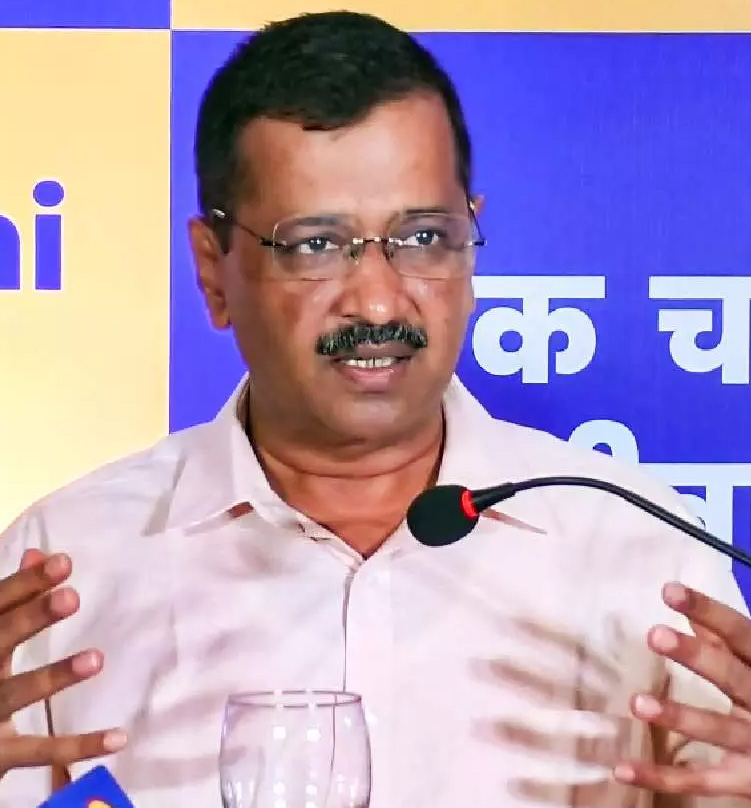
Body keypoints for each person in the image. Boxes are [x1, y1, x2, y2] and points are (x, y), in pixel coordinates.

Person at [1, 10, 751, 807]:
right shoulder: (66, 566)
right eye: (315, 244)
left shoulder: (639, 551)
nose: (377, 301)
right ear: (213, 271)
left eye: (423, 238)